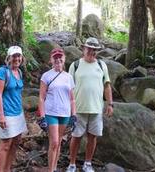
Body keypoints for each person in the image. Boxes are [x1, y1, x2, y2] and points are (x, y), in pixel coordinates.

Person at [66, 37, 113, 172]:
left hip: (96, 108)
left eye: (94, 50)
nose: (92, 51)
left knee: (92, 137)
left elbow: (107, 85)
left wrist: (110, 104)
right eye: (89, 49)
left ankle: (87, 163)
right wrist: (69, 107)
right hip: (78, 108)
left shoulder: (101, 65)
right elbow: (69, 87)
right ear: (83, 48)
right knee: (76, 136)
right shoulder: (75, 65)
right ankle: (72, 164)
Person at [38, 48, 76, 172]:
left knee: (58, 142)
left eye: (60, 58)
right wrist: (42, 116)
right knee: (54, 142)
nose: (58, 60)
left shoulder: (69, 77)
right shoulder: (46, 76)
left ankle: (54, 168)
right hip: (51, 112)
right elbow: (41, 98)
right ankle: (50, 169)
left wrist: (73, 115)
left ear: (64, 59)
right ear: (51, 60)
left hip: (64, 113)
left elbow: (72, 99)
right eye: (55, 58)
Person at [0, 45, 27, 172]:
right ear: (9, 57)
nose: (17, 58)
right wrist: (1, 115)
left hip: (18, 113)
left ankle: (7, 169)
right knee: (6, 144)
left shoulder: (19, 72)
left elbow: (17, 93)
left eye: (19, 55)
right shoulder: (3, 72)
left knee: (16, 141)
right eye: (14, 56)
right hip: (6, 113)